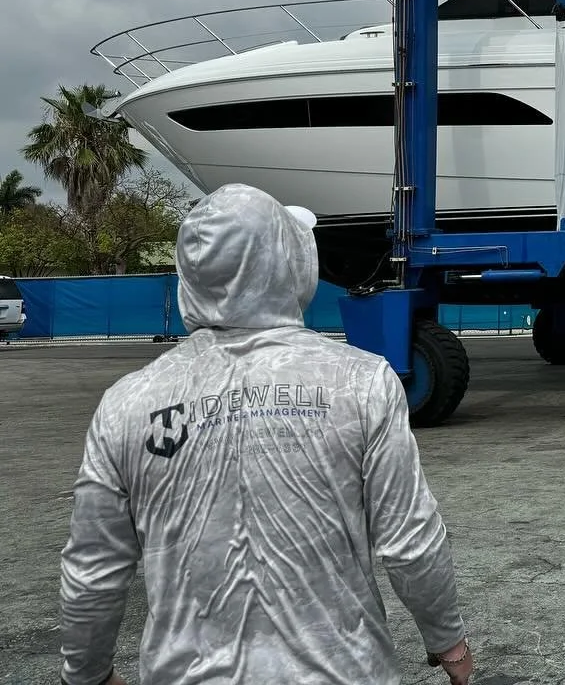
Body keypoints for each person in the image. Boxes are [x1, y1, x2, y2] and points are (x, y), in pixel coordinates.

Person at [58, 183, 474, 684]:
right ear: (291, 263)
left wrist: (87, 673)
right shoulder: (360, 382)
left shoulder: (127, 403)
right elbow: (409, 538)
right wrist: (447, 641)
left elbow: (95, 567)